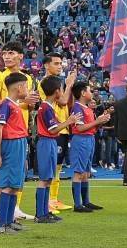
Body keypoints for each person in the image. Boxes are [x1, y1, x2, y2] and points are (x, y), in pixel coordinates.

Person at [0, 41, 36, 223]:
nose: (6, 56)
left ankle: (14, 210)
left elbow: (29, 105)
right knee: (3, 174)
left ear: (21, 56)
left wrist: (29, 103)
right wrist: (22, 102)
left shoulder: (27, 78)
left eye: (11, 53)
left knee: (18, 172)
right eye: (5, 53)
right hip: (7, 133)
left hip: (21, 130)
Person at [0, 73, 31, 232]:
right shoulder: (6, 105)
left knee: (15, 185)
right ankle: (2, 224)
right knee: (8, 185)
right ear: (19, 87)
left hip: (19, 144)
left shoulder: (15, 105)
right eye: (26, 86)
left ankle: (9, 221)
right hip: (11, 146)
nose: (27, 89)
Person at [40, 53, 76, 212]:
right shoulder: (45, 83)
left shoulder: (58, 82)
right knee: (52, 167)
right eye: (56, 63)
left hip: (63, 127)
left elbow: (67, 104)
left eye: (61, 63)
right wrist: (69, 85)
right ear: (46, 65)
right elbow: (62, 101)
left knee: (58, 166)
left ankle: (53, 199)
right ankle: (48, 202)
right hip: (54, 129)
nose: (60, 66)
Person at [33, 75, 71, 223]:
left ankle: (45, 211)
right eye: (61, 89)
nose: (62, 92)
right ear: (56, 91)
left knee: (49, 178)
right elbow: (53, 129)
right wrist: (68, 121)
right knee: (44, 179)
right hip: (46, 142)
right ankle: (40, 214)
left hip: (50, 142)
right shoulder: (46, 108)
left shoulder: (48, 107)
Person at [69, 81, 110, 212]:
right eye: (89, 90)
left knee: (86, 172)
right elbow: (80, 128)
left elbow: (91, 127)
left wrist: (100, 121)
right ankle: (77, 204)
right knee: (79, 172)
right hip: (81, 140)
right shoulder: (77, 108)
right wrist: (97, 121)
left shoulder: (87, 108)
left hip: (89, 139)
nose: (91, 93)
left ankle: (85, 202)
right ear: (83, 93)